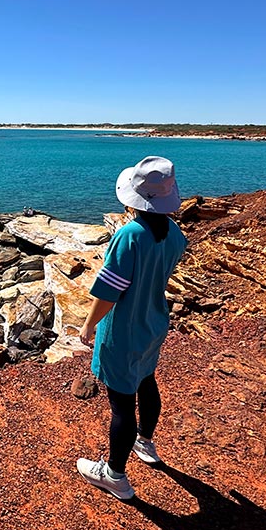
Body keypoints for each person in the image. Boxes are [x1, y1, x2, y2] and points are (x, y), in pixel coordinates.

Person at [76, 156, 188, 500]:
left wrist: (87, 326)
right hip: (154, 322)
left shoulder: (129, 235)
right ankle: (146, 442)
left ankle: (115, 476)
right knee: (147, 380)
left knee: (121, 404)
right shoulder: (175, 235)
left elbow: (109, 291)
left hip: (123, 329)